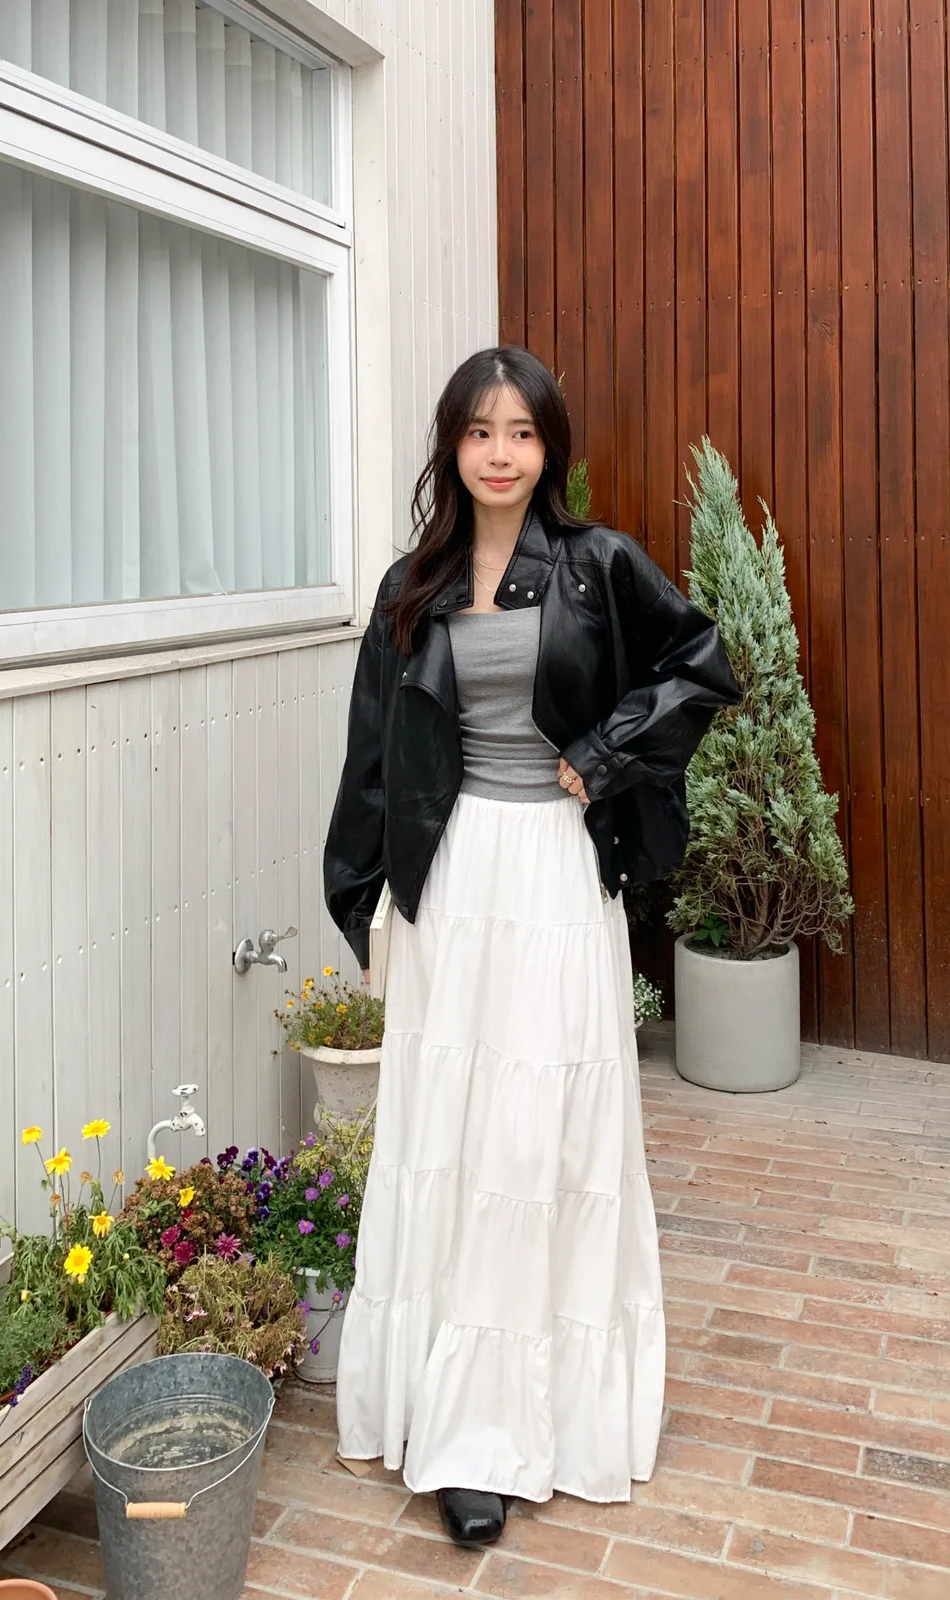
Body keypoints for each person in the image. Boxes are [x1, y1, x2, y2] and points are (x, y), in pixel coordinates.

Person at [324, 345, 739, 1547]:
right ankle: (447, 1414)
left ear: (548, 446)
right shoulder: (412, 585)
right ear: (451, 445)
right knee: (451, 1137)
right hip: (454, 879)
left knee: (533, 1136)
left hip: (556, 872)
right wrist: (363, 894)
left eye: (521, 431)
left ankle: (505, 1430)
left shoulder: (599, 565)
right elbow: (372, 749)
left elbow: (702, 666)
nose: (499, 453)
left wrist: (604, 753)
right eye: (479, 431)